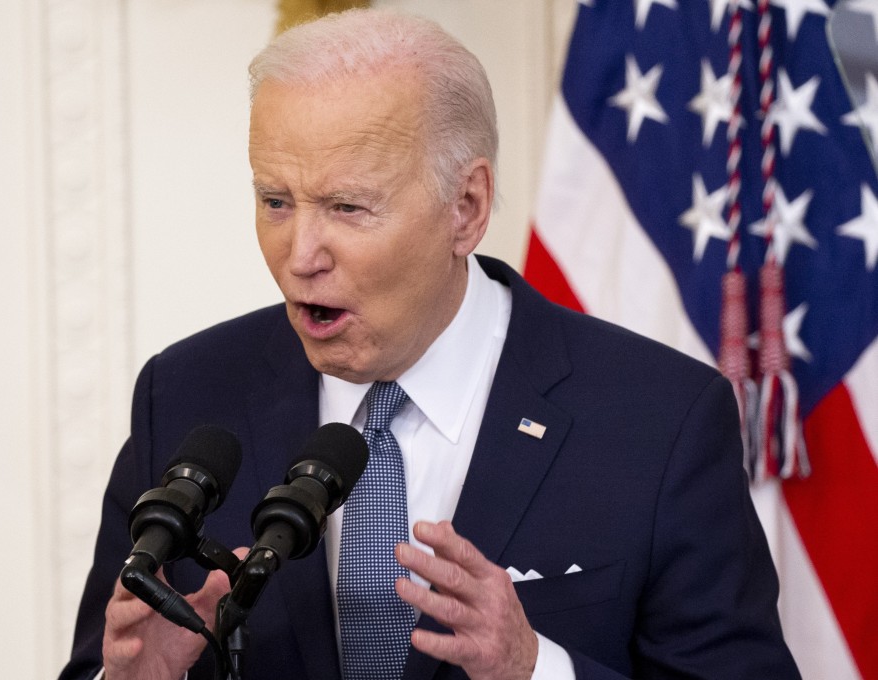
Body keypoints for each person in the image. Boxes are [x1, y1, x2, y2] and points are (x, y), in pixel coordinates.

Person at [59, 8, 800, 680]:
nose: (301, 253)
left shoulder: (658, 418)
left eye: (347, 206)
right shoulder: (187, 392)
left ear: (466, 208)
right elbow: (104, 659)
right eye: (275, 201)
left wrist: (532, 668)